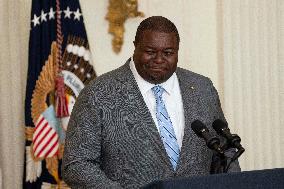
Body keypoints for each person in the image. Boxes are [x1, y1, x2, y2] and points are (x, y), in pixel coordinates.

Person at [62, 16, 240, 189]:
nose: (159, 59)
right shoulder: (98, 93)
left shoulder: (202, 88)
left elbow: (225, 153)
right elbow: (77, 165)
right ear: (135, 47)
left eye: (168, 53)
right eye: (150, 52)